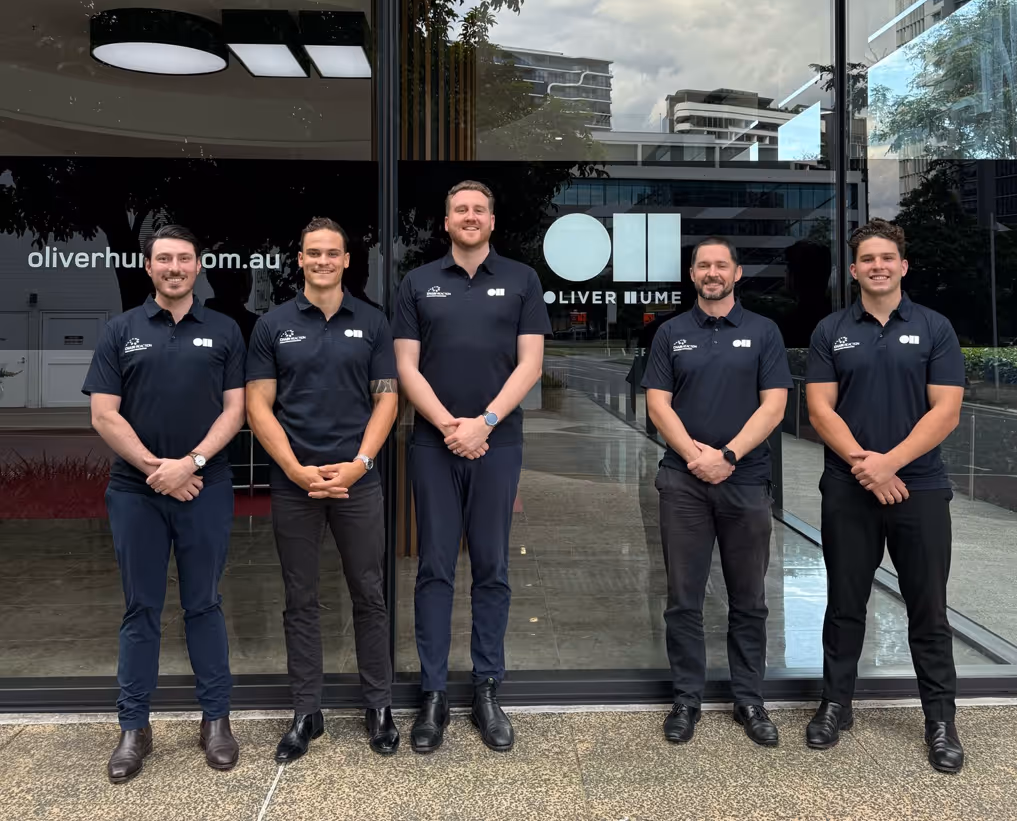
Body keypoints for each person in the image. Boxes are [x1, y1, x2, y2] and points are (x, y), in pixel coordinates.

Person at [83, 224, 246, 783]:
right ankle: (134, 727)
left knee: (203, 603)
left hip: (207, 486)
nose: (175, 268)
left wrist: (191, 464)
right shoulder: (120, 330)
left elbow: (236, 410)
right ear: (148, 267)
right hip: (137, 492)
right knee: (141, 608)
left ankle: (216, 720)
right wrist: (159, 470)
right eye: (164, 260)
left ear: (197, 267)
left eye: (184, 259)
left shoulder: (224, 330)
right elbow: (104, 413)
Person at [392, 180, 550, 754]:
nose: (470, 216)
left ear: (491, 220)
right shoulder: (417, 283)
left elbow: (531, 363)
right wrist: (449, 427)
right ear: (446, 221)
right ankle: (433, 694)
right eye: (460, 208)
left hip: (498, 443)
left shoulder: (522, 280)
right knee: (434, 567)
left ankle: (486, 688)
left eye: (479, 209)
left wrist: (482, 422)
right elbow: (406, 368)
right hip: (434, 446)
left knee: (492, 566)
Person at [804, 219, 966, 774]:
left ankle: (940, 720)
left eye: (886, 258)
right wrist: (864, 467)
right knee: (845, 604)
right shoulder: (831, 330)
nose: (877, 266)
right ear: (853, 271)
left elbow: (945, 410)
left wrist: (890, 464)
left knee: (928, 608)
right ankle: (835, 705)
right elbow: (821, 409)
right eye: (867, 259)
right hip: (848, 487)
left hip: (918, 486)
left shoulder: (934, 328)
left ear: (903, 266)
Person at [246, 217, 400, 762]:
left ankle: (378, 705)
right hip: (296, 484)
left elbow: (387, 399)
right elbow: (257, 404)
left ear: (346, 260)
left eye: (333, 252)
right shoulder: (273, 325)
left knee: (369, 593)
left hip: (358, 481)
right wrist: (292, 468)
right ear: (301, 258)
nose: (323, 261)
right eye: (314, 252)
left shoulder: (373, 322)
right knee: (300, 598)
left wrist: (360, 463)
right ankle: (306, 711)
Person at [642, 236, 792, 746]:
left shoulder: (764, 332)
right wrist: (695, 457)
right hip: (683, 482)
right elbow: (659, 405)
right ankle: (687, 698)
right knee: (683, 598)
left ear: (737, 273)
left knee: (748, 599)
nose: (712, 272)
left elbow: (773, 406)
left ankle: (750, 699)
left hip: (746, 482)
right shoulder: (671, 333)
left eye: (720, 265)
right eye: (703, 265)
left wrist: (726, 457)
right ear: (692, 275)